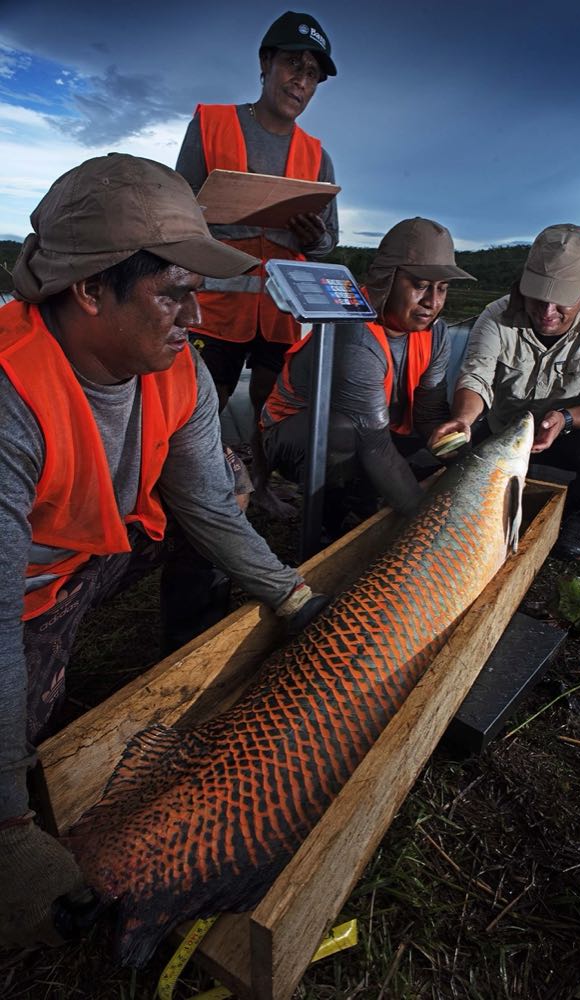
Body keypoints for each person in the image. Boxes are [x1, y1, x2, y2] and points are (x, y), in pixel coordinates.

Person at [0, 153, 328, 951]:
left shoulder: (176, 367)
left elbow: (207, 507)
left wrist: (291, 599)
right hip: (26, 594)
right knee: (23, 746)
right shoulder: (10, 392)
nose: (196, 316)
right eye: (175, 293)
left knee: (229, 493)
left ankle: (188, 653)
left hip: (101, 553)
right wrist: (7, 819)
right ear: (89, 288)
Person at [176, 10, 339, 492]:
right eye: (294, 65)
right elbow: (178, 211)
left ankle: (261, 487)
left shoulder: (317, 154)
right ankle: (190, 489)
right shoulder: (212, 125)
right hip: (217, 306)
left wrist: (314, 238)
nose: (302, 82)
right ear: (266, 63)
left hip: (281, 310)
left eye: (312, 75)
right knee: (203, 402)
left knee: (269, 403)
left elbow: (328, 241)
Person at [432, 224, 580, 559]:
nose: (547, 313)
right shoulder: (495, 315)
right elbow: (476, 379)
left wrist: (565, 418)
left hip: (570, 433)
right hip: (505, 431)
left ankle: (577, 517)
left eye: (562, 301)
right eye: (538, 297)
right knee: (450, 448)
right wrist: (462, 419)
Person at [261, 217, 476, 537]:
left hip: (375, 429)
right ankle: (325, 524)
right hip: (296, 436)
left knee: (461, 436)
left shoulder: (437, 334)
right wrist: (433, 531)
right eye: (420, 286)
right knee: (343, 434)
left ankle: (365, 497)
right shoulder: (356, 334)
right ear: (388, 280)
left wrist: (445, 440)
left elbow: (429, 410)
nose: (432, 302)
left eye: (442, 289)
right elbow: (373, 443)